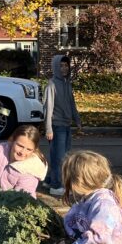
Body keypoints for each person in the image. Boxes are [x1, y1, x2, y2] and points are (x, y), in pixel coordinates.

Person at [41, 53, 82, 197]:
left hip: (66, 125)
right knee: (59, 157)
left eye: (66, 65)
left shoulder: (67, 83)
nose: (64, 68)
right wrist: (48, 128)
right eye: (61, 65)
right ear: (55, 67)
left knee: (61, 156)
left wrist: (77, 119)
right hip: (56, 126)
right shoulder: (52, 84)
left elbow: (71, 103)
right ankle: (56, 185)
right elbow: (48, 108)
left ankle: (49, 180)